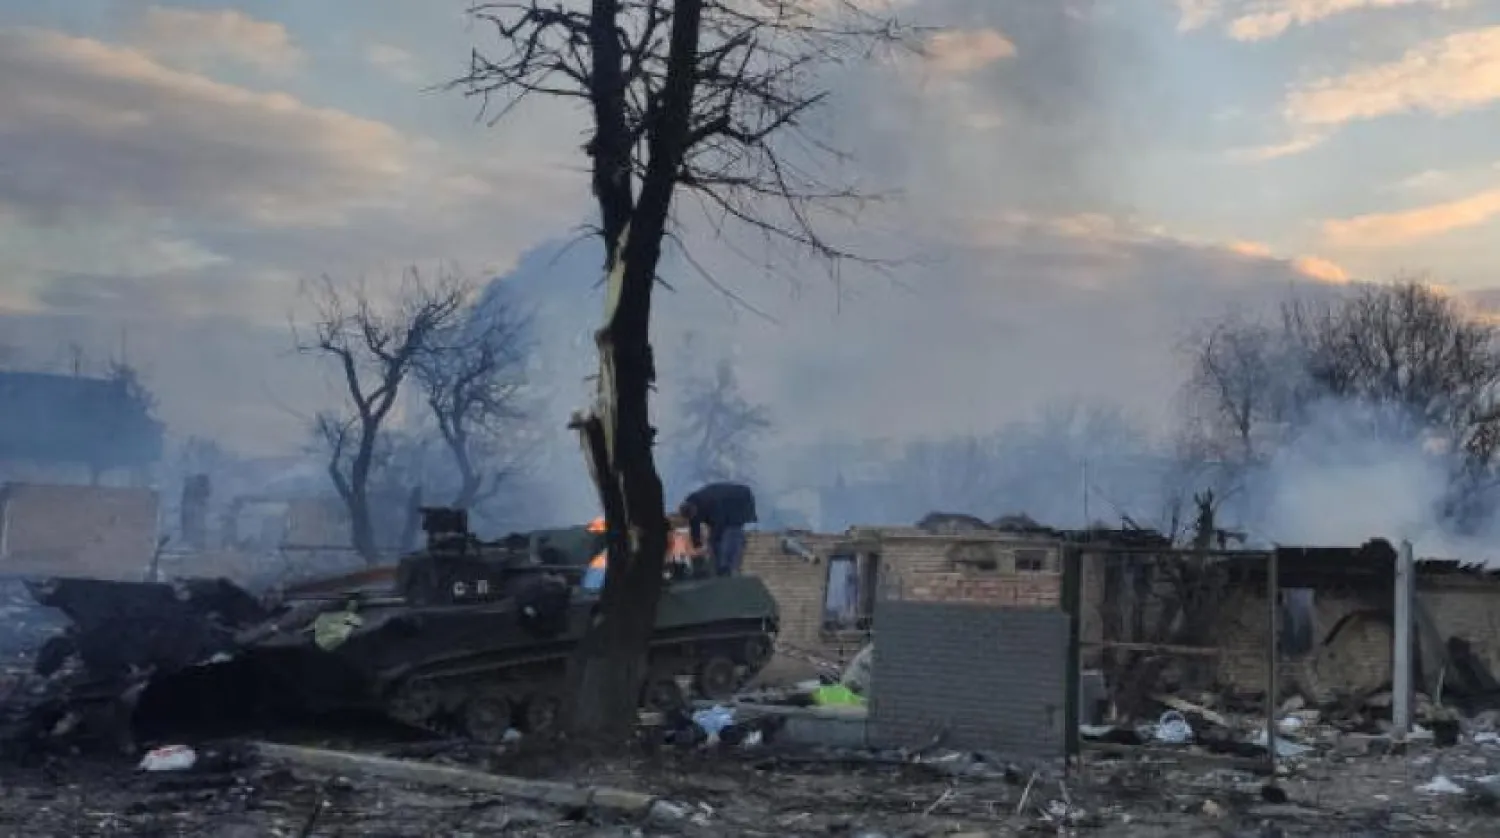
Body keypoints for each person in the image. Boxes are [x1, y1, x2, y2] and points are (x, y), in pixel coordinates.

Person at [679, 482, 757, 577]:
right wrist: (697, 546)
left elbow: (719, 524)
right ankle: (720, 567)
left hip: (740, 500)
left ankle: (729, 568)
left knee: (731, 533)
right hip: (725, 506)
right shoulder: (693, 505)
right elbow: (695, 526)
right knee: (717, 539)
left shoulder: (710, 502)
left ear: (694, 509)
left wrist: (712, 540)